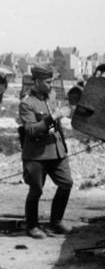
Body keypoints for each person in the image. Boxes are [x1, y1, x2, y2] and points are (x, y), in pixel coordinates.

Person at [18, 66, 73, 239]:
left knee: (66, 183)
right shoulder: (27, 103)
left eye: (52, 81)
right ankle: (32, 225)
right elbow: (31, 130)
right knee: (36, 190)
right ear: (37, 81)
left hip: (56, 151)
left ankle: (56, 221)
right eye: (48, 82)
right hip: (36, 155)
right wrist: (53, 117)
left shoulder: (52, 96)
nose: (51, 85)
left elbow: (56, 122)